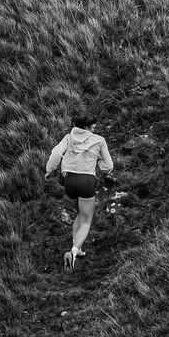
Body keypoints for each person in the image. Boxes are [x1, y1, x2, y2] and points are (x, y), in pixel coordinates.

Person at [44, 114, 114, 268]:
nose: (95, 130)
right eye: (93, 127)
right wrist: (104, 169)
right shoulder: (99, 140)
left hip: (69, 181)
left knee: (79, 214)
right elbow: (108, 165)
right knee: (87, 220)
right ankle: (73, 252)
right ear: (87, 127)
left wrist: (50, 170)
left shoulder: (68, 138)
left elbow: (56, 154)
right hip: (86, 181)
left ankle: (79, 248)